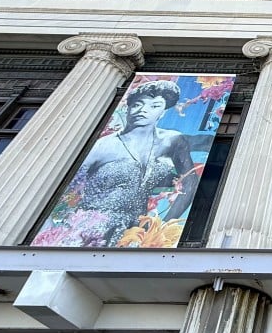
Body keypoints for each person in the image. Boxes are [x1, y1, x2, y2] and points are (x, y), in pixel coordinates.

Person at [74, 80, 198, 245]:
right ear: (128, 108)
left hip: (137, 231)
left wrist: (163, 226)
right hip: (92, 229)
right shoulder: (103, 146)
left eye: (154, 106)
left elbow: (191, 182)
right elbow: (70, 189)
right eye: (138, 105)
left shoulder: (171, 141)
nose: (143, 110)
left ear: (162, 112)